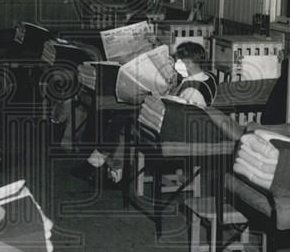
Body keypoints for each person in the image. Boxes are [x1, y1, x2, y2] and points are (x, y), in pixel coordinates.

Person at [72, 40, 217, 184]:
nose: (175, 65)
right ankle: (109, 167)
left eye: (178, 62)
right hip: (178, 120)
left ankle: (104, 167)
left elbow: (177, 112)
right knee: (120, 118)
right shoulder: (207, 78)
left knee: (119, 121)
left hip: (175, 130)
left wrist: (156, 97)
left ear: (188, 63)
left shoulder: (192, 90)